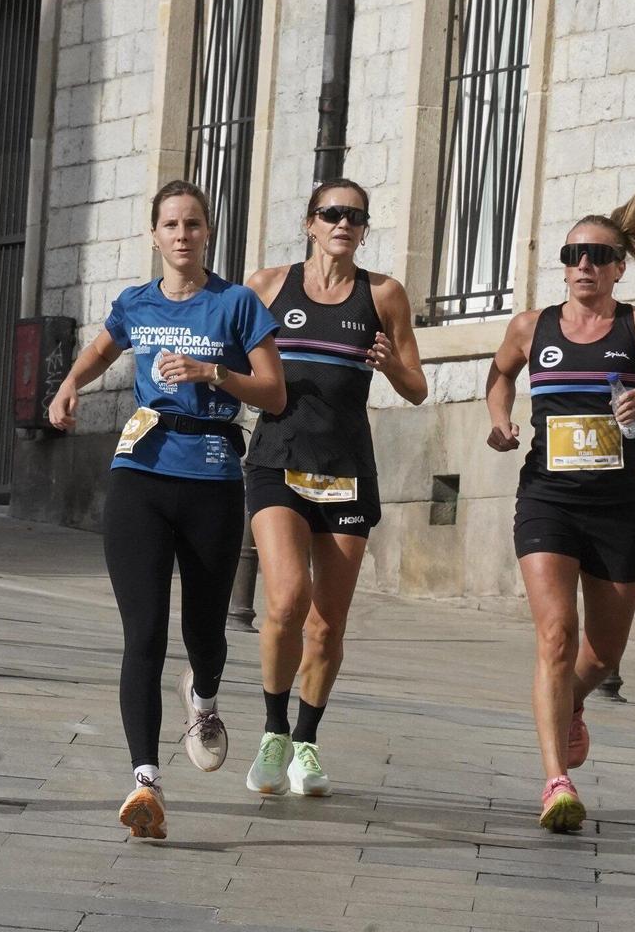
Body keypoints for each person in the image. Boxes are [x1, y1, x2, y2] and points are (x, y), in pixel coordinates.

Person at [48, 181, 284, 840]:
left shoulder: (235, 304)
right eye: (171, 224)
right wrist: (69, 385)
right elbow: (102, 347)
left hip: (210, 478)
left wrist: (214, 374)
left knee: (206, 634)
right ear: (155, 234)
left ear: (208, 233)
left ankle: (203, 697)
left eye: (193, 224)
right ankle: (145, 780)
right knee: (143, 631)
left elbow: (275, 390)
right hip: (141, 475)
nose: (182, 234)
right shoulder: (136, 302)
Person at [483, 184, 635, 832]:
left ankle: (570, 702)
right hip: (546, 497)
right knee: (556, 635)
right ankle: (557, 782)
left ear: (619, 267)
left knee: (602, 650)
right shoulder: (533, 327)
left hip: (616, 505)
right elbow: (499, 376)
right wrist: (500, 421)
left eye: (598, 255)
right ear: (564, 263)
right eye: (574, 252)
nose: (584, 264)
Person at [241, 180, 427, 798]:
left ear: (364, 228)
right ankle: (271, 731)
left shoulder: (384, 294)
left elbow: (417, 386)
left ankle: (307, 744)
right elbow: (226, 358)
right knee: (288, 598)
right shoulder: (267, 287)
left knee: (328, 623)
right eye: (332, 214)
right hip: (278, 460)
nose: (343, 223)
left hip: (346, 466)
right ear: (310, 223)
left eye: (355, 216)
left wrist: (390, 365)